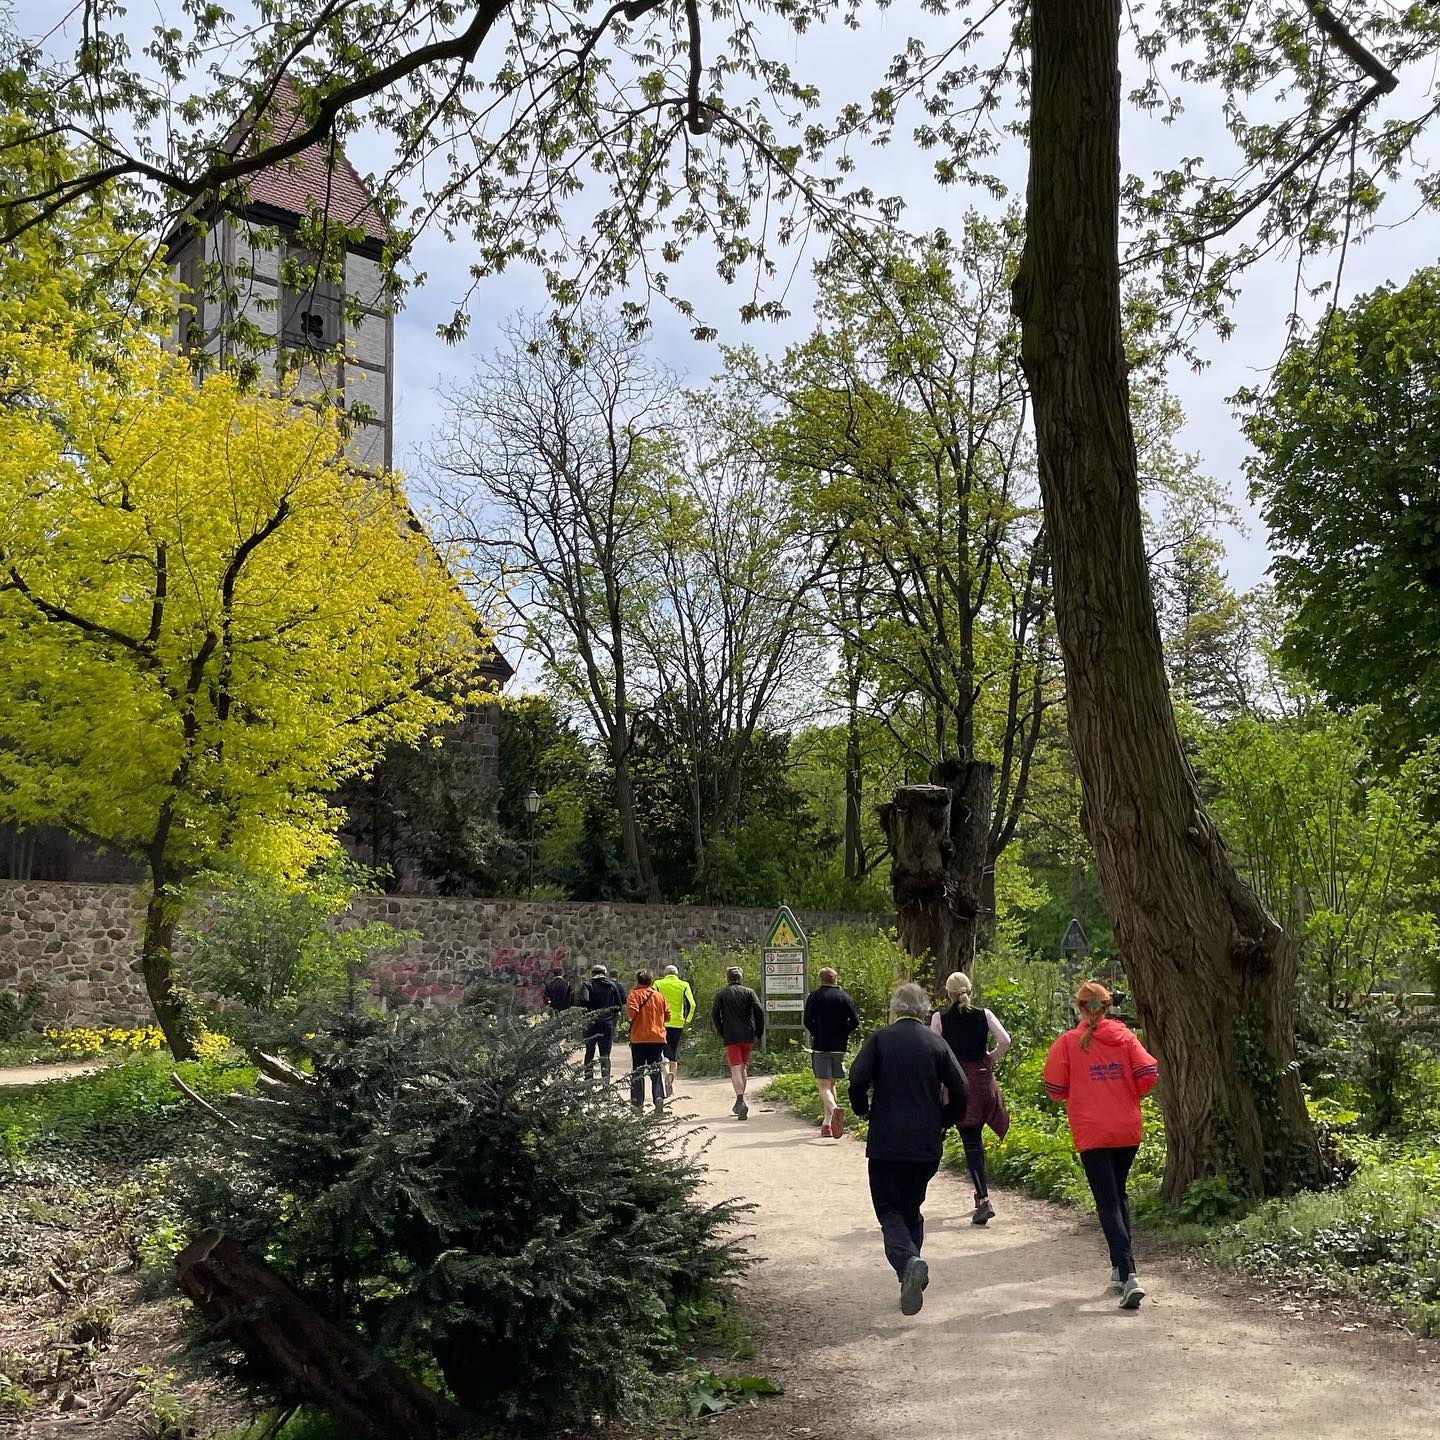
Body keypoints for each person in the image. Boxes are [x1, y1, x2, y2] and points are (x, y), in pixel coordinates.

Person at [848, 983, 968, 1315]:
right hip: (925, 1142)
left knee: (889, 1209)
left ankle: (908, 1261)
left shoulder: (880, 1040)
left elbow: (857, 1079)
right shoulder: (936, 1043)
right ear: (925, 1010)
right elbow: (961, 1088)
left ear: (895, 1008)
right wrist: (946, 1119)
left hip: (886, 1141)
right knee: (912, 1207)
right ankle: (909, 1274)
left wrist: (862, 1110)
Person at [1043, 981, 1159, 1311]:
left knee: (1107, 1201)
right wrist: (1124, 1090)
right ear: (1107, 1006)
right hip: (1126, 1129)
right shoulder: (1125, 1038)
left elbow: (1054, 1087)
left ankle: (1129, 1273)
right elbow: (1149, 1073)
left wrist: (1081, 1090)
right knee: (1118, 1194)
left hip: (1092, 1132)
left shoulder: (1068, 1043)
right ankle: (1118, 1269)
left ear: (1080, 1008)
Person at [931, 971, 1011, 1225]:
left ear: (948, 993)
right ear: (969, 990)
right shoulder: (984, 1014)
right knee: (974, 1139)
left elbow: (934, 1050)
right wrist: (990, 1058)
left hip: (958, 1084)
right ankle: (980, 1195)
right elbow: (1005, 1041)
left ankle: (983, 1199)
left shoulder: (939, 1018)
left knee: (958, 1138)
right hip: (982, 1081)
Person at [802, 966, 861, 1138]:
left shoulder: (814, 996)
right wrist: (844, 1032)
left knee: (823, 1085)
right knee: (832, 1084)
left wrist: (817, 1032)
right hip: (839, 1047)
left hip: (821, 1046)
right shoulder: (844, 997)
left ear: (820, 979)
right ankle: (827, 1125)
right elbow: (855, 1021)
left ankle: (834, 1111)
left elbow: (807, 1020)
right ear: (836, 979)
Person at [710, 965, 765, 1120]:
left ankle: (740, 1101)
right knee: (743, 1067)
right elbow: (759, 1011)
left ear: (728, 978)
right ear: (741, 978)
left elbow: (714, 1013)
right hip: (747, 1035)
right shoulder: (749, 992)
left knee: (735, 1068)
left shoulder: (722, 993)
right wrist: (758, 1031)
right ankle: (739, 1101)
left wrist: (721, 1030)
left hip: (731, 1036)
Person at [625, 969, 670, 1113]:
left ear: (638, 980)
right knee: (655, 1070)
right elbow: (667, 1016)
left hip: (639, 1038)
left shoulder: (634, 995)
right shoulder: (659, 996)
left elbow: (632, 1013)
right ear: (651, 981)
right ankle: (658, 1097)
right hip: (657, 1038)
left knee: (638, 1071)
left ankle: (637, 1104)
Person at [578, 963, 626, 1083]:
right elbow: (618, 1006)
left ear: (592, 973)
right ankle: (606, 1083)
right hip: (607, 1024)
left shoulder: (587, 985)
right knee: (605, 1054)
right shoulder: (612, 986)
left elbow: (583, 1003)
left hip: (590, 1023)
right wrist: (609, 1015)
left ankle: (588, 1082)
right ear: (605, 974)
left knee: (589, 1052)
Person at [654, 964, 697, 1097]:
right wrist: (687, 1019)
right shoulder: (684, 985)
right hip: (678, 1022)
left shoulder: (658, 983)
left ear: (665, 974)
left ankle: (666, 1074)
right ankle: (671, 1080)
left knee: (662, 1050)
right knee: (674, 1050)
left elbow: (652, 999)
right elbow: (692, 1004)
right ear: (677, 974)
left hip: (661, 1022)